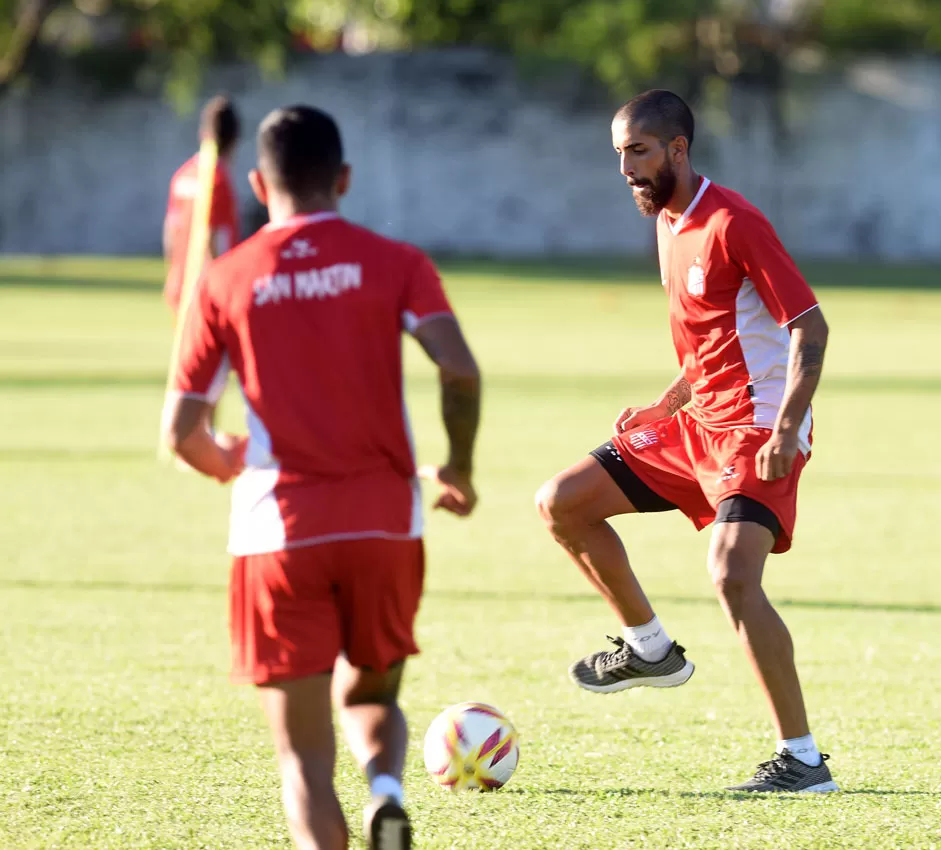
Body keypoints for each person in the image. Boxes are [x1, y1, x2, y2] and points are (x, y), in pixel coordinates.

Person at [167, 105, 482, 850]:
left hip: (279, 531)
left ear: (256, 182)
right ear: (343, 179)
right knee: (372, 690)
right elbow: (459, 368)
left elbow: (182, 432)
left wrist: (230, 463)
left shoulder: (224, 280)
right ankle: (386, 791)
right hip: (386, 522)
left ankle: (358, 810)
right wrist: (459, 465)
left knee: (303, 759)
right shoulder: (397, 260)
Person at [535, 89, 837, 793]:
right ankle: (650, 650)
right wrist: (663, 405)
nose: (625, 170)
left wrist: (787, 429)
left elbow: (811, 327)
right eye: (618, 154)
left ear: (677, 149)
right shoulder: (668, 223)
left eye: (637, 152)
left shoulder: (735, 222)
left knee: (732, 575)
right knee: (562, 503)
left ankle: (803, 760)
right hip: (697, 423)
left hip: (759, 426)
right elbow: (710, 339)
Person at [163, 94, 243, 320]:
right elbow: (212, 237)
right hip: (206, 293)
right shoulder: (218, 180)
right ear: (235, 138)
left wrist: (173, 275)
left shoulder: (182, 174)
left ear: (203, 133)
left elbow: (170, 232)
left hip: (180, 284)